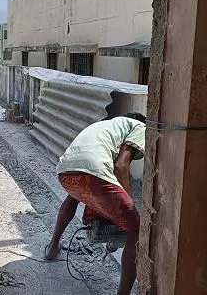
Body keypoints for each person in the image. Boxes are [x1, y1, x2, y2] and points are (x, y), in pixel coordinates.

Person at [45, 113, 146, 295]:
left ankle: (52, 248)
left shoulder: (106, 125)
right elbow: (121, 166)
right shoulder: (139, 126)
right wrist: (127, 206)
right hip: (93, 170)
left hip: (66, 171)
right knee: (137, 229)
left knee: (72, 198)